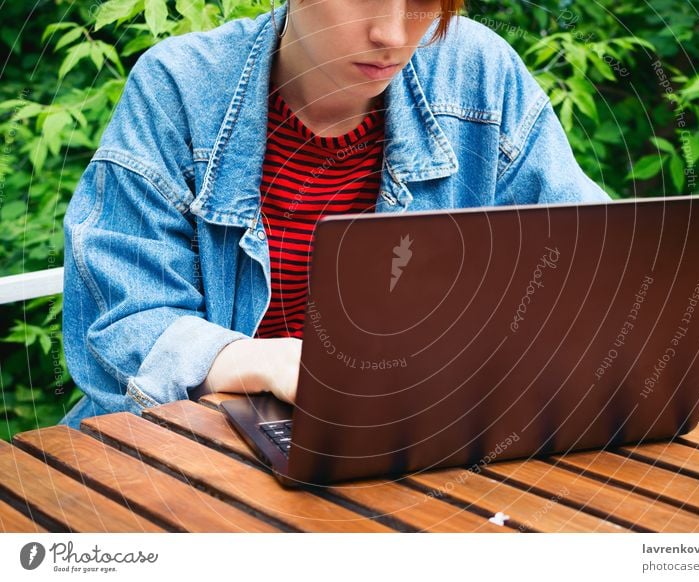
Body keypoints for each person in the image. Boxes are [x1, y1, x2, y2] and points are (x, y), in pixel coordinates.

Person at [58, 0, 610, 429]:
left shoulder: (480, 74)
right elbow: (121, 328)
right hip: (192, 452)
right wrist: (259, 362)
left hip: (416, 438)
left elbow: (592, 263)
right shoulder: (177, 87)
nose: (393, 35)